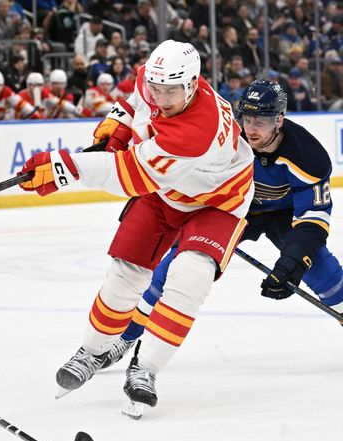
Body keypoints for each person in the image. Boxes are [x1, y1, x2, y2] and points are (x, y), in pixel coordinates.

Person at [17, 40, 254, 418]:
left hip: (218, 202)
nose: (160, 98)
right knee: (124, 272)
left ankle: (145, 370)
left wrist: (67, 167)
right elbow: (134, 103)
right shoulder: (156, 80)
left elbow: (129, 175)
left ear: (192, 84)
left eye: (170, 91)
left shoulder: (196, 131)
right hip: (167, 190)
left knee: (189, 277)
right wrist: (118, 124)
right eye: (157, 88)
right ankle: (93, 351)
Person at [106, 80, 341, 367]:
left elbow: (313, 218)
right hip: (230, 208)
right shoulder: (222, 137)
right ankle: (126, 337)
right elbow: (184, 173)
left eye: (262, 121)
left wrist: (293, 261)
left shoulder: (308, 156)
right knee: (172, 269)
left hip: (282, 214)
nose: (251, 128)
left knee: (318, 267)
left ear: (279, 120)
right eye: (248, 118)